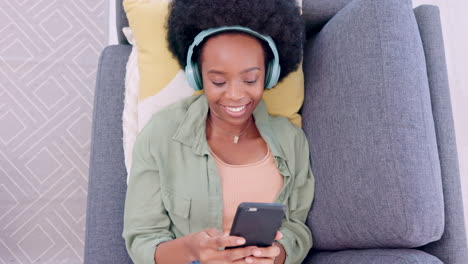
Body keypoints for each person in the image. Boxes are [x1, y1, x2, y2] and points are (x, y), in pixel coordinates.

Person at [122, 0, 315, 263]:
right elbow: (142, 239)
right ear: (197, 76)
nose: (235, 95)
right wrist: (191, 250)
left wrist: (278, 254)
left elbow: (296, 227)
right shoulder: (161, 135)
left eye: (250, 80)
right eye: (218, 81)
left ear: (269, 75)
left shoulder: (292, 141)